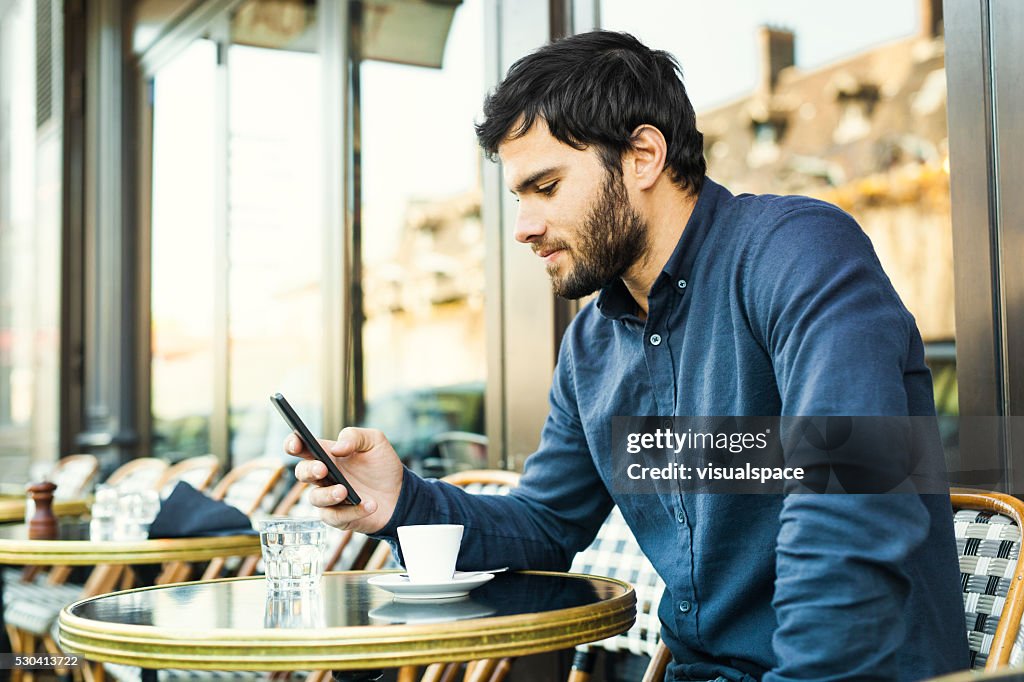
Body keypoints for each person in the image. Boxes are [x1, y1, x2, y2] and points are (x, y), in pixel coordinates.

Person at [289, 31, 969, 681]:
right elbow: (545, 525)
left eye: (546, 187)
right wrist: (400, 501)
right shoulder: (591, 345)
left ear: (643, 155)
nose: (523, 227)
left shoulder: (797, 252)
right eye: (519, 197)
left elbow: (853, 499)